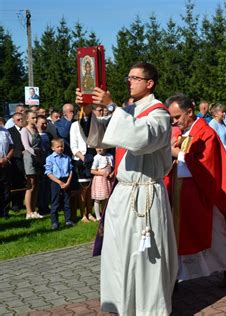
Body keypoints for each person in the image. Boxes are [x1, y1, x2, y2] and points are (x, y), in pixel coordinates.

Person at [76, 61, 178, 315]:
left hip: (146, 194)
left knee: (146, 259)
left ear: (149, 83)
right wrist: (88, 111)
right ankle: (122, 305)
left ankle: (150, 309)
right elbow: (99, 138)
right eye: (128, 77)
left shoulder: (159, 113)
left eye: (135, 78)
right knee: (119, 251)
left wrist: (111, 107)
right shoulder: (129, 112)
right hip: (123, 192)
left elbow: (141, 139)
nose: (129, 82)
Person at [166, 93, 226, 283]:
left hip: (203, 192)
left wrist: (178, 154)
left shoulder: (205, 132)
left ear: (189, 112)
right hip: (184, 191)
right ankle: (178, 275)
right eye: (171, 118)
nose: (174, 122)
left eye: (177, 117)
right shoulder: (185, 132)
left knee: (215, 235)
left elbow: (206, 164)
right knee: (182, 234)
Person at [70, 104, 96, 223]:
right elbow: (73, 146)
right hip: (80, 158)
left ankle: (90, 212)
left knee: (91, 189)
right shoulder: (74, 126)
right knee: (83, 189)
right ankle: (83, 214)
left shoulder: (93, 124)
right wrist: (83, 158)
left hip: (92, 156)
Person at [44, 138, 74, 230]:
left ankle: (68, 220)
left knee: (67, 201)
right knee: (55, 202)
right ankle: (55, 222)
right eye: (58, 147)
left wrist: (68, 182)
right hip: (56, 181)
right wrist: (59, 182)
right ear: (53, 148)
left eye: (62, 146)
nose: (60, 148)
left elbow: (71, 170)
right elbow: (49, 173)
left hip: (66, 180)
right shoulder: (50, 158)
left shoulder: (67, 158)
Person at [20, 110, 44, 219]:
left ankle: (34, 210)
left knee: (37, 185)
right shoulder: (24, 130)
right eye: (33, 118)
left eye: (36, 118)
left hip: (38, 158)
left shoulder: (35, 129)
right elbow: (26, 146)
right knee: (31, 185)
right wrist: (36, 154)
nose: (35, 119)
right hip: (30, 158)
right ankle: (28, 212)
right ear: (27, 119)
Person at [7, 113, 26, 211]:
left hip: (26, 160)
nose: (21, 121)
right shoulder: (9, 132)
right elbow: (10, 147)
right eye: (18, 120)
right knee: (16, 182)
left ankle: (21, 202)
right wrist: (20, 153)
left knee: (25, 182)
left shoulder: (26, 130)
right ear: (13, 121)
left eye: (22, 119)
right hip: (16, 160)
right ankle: (15, 204)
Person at [90, 147, 114, 221]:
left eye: (101, 147)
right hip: (99, 179)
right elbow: (92, 171)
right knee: (98, 198)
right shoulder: (96, 157)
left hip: (108, 180)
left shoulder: (110, 156)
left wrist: (112, 174)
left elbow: (113, 168)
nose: (99, 149)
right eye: (97, 148)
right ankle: (98, 216)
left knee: (106, 198)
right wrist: (102, 173)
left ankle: (104, 214)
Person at [36, 115, 53, 215]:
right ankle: (39, 206)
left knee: (47, 186)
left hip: (48, 163)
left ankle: (46, 205)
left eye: (45, 123)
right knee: (40, 186)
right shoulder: (34, 134)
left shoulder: (48, 135)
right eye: (42, 123)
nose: (44, 125)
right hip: (39, 163)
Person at [0, 123, 13, 218]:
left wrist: (6, 158)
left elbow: (12, 147)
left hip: (4, 164)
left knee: (5, 189)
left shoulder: (5, 131)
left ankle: (5, 212)